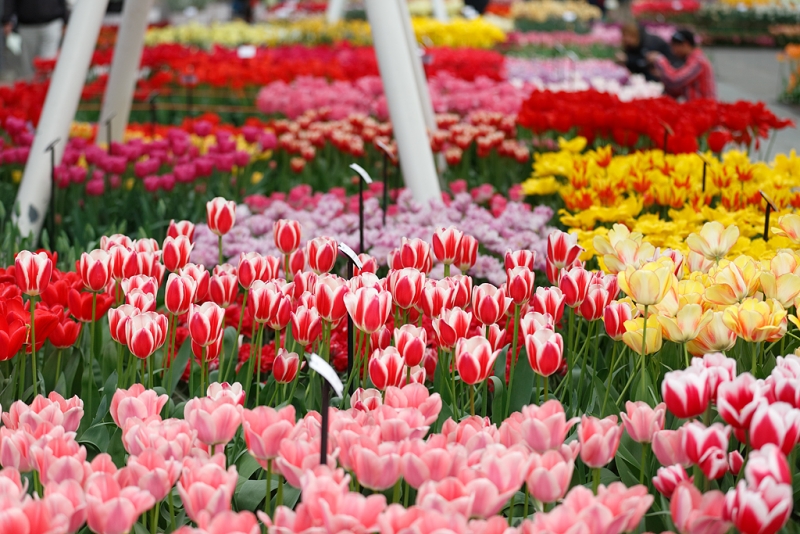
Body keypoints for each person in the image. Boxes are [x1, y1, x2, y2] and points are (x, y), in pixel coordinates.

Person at [2, 0, 66, 79]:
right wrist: (7, 19)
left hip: (52, 21)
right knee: (29, 64)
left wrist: (66, 19)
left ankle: (46, 87)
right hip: (27, 24)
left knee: (47, 62)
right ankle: (32, 88)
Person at [648, 29, 716, 101]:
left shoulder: (698, 62)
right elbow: (676, 89)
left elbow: (675, 80)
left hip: (704, 108)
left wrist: (659, 59)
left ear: (685, 44)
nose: (672, 50)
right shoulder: (691, 60)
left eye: (674, 46)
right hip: (698, 107)